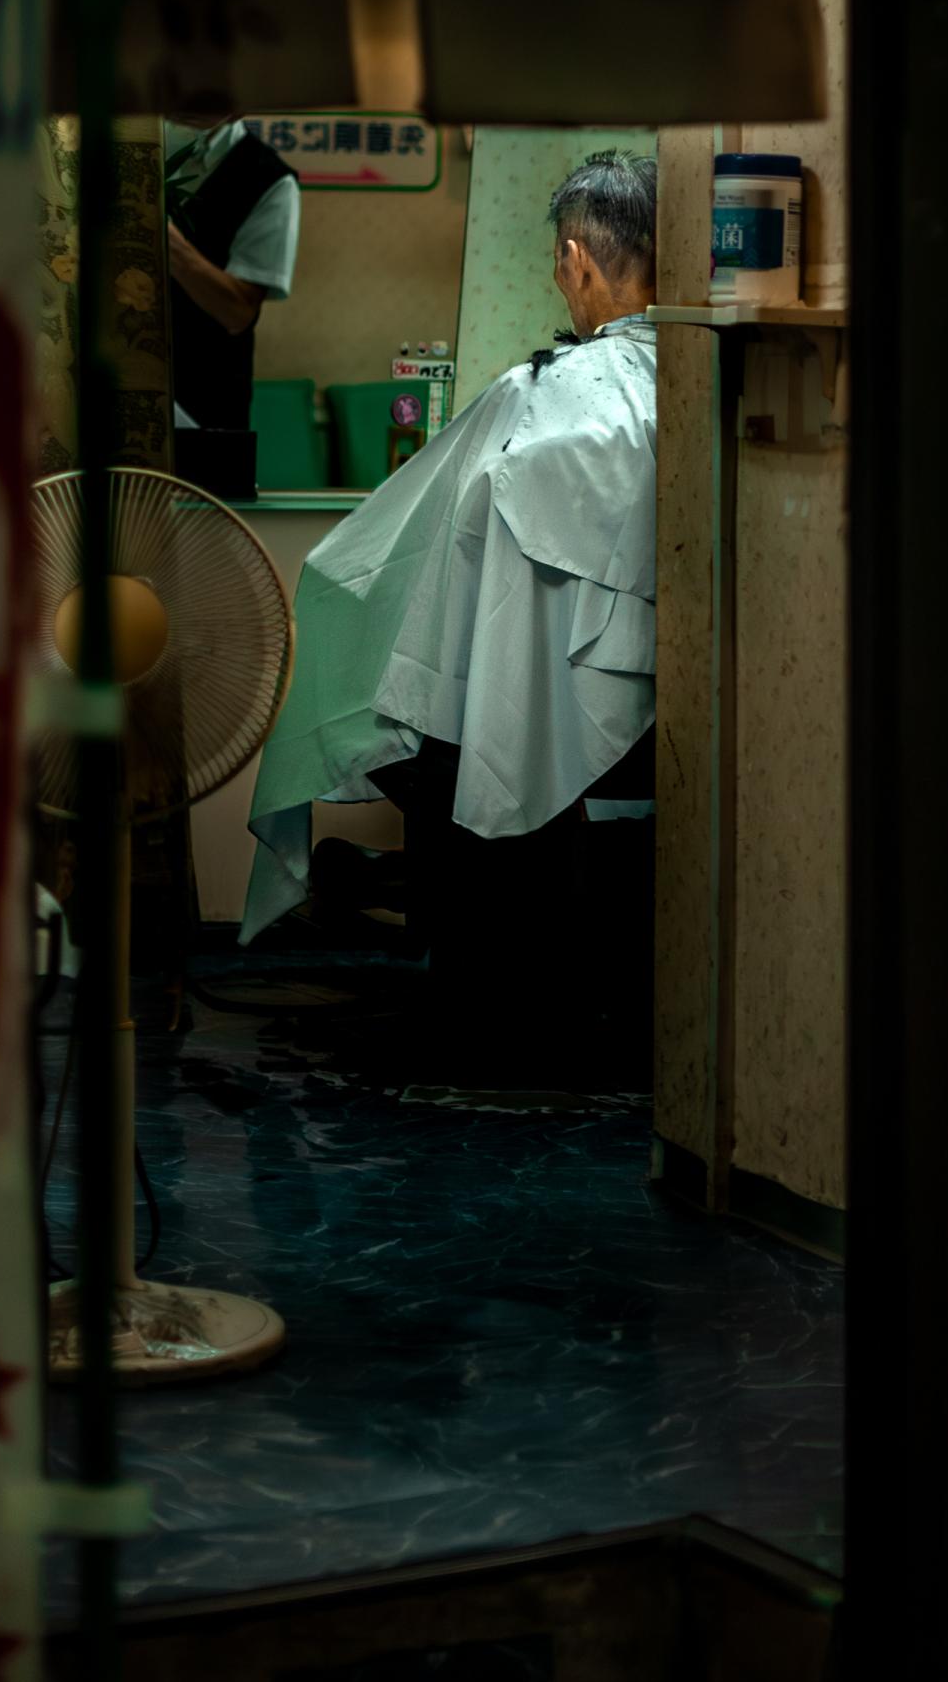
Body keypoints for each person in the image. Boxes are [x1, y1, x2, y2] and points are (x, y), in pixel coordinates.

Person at [244, 151, 658, 1062]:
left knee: (423, 718)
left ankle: (479, 991)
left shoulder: (538, 395)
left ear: (575, 261)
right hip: (659, 715)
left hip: (514, 711)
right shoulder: (696, 390)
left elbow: (387, 559)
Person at [162, 118, 302, 454]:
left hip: (205, 411)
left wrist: (163, 238)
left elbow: (237, 312)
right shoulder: (128, 144)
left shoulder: (270, 179)